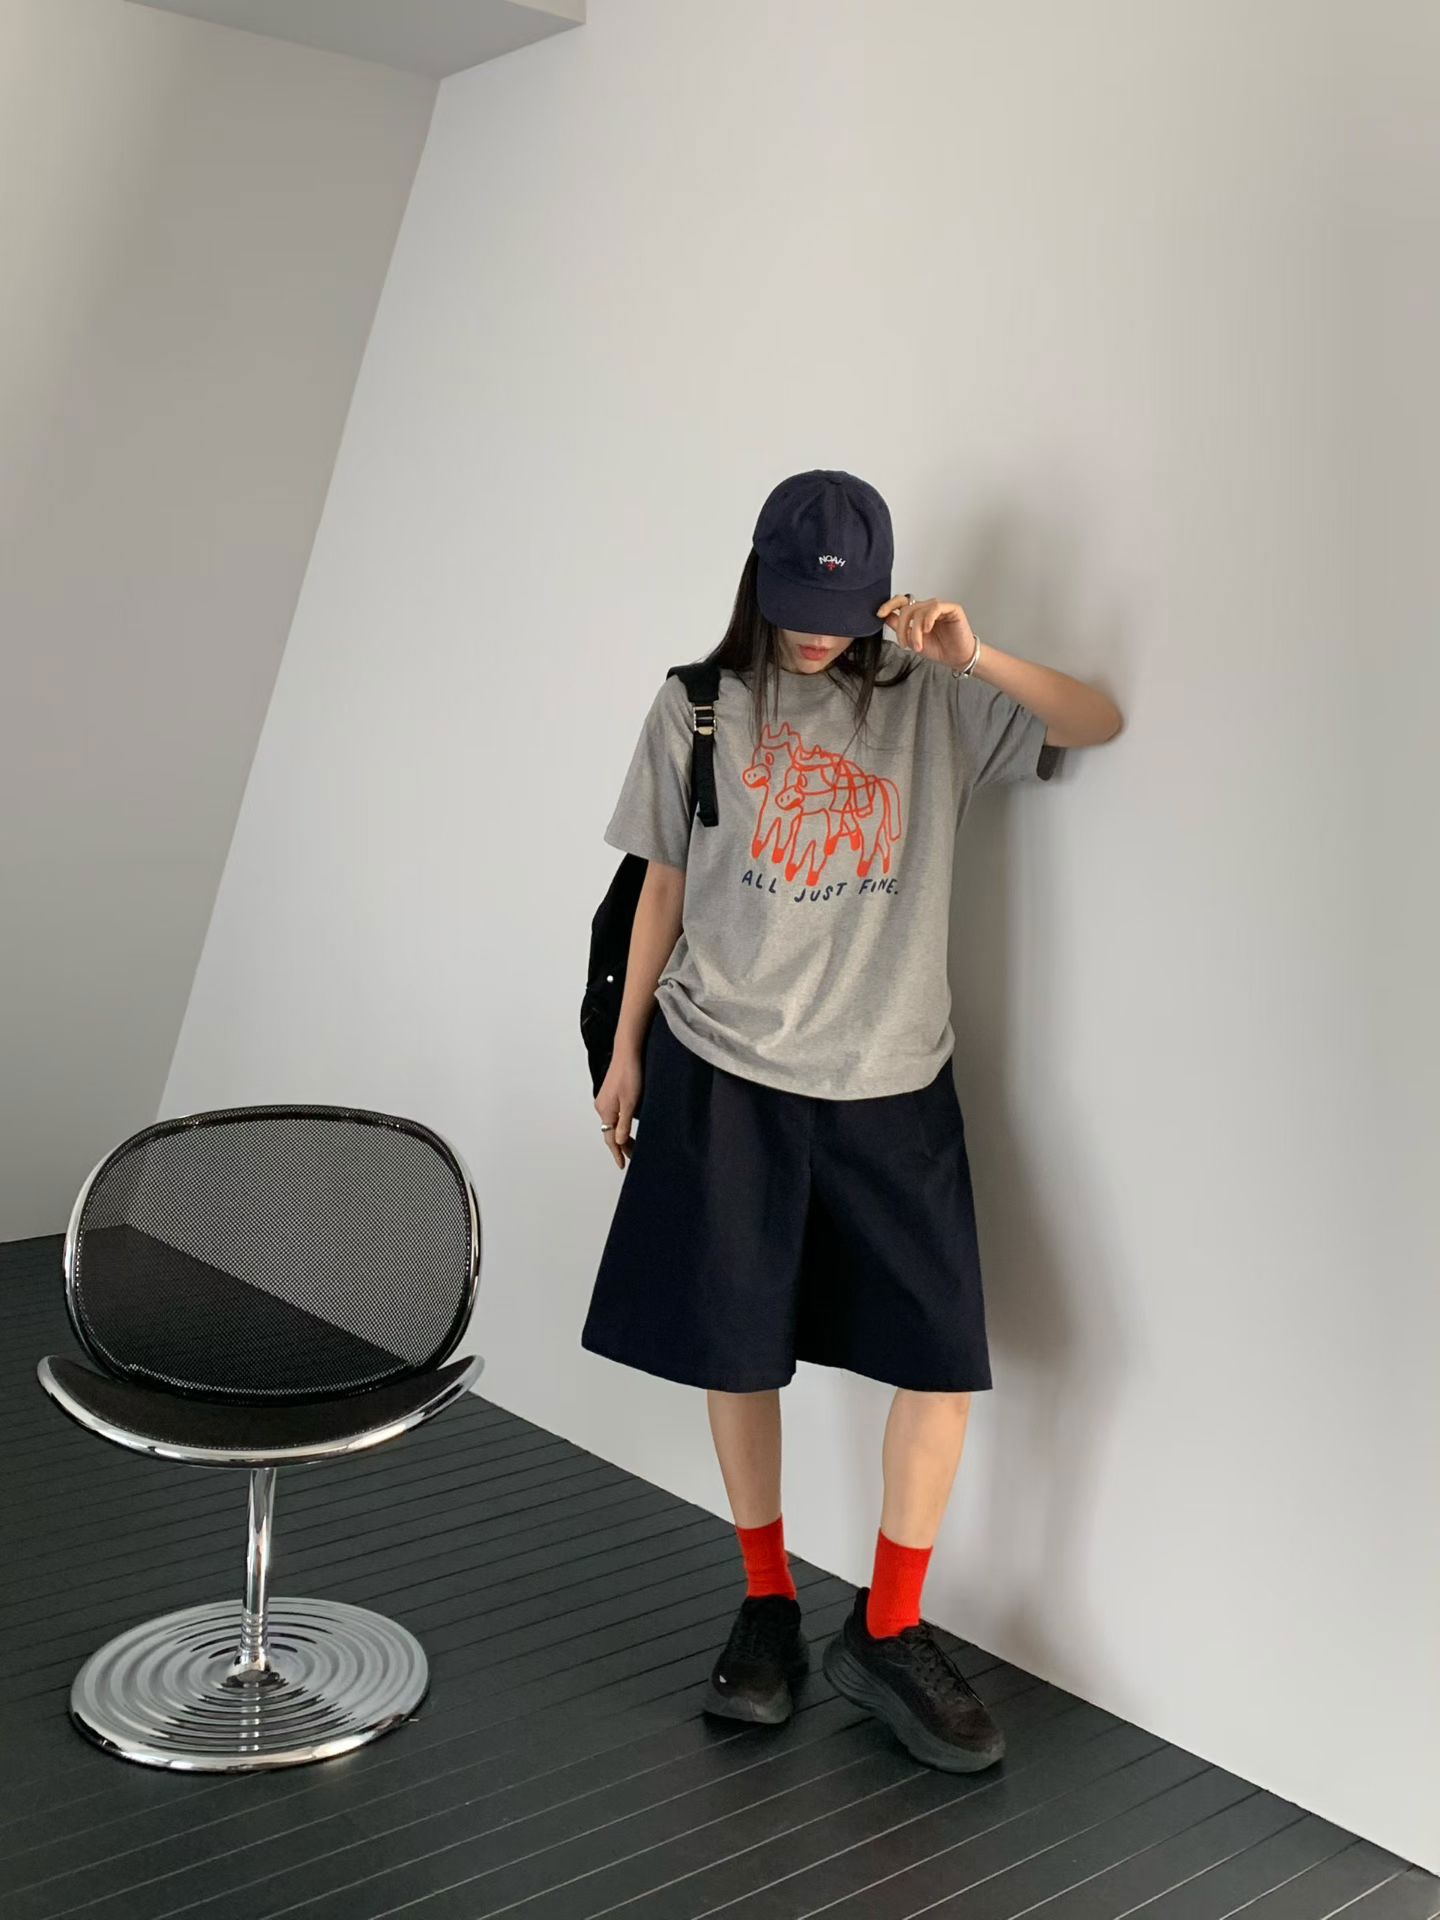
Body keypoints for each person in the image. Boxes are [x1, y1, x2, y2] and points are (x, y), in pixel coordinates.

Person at [581, 469, 1122, 1773]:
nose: (813, 634)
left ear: (881, 594)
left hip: (893, 1080)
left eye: (837, 611)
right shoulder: (699, 705)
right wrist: (628, 1050)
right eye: (793, 606)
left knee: (939, 1361)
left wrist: (972, 649)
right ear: (757, 581)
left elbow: (1095, 720)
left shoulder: (938, 702)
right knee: (738, 1347)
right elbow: (662, 889)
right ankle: (768, 1601)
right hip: (726, 1068)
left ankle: (886, 1627)